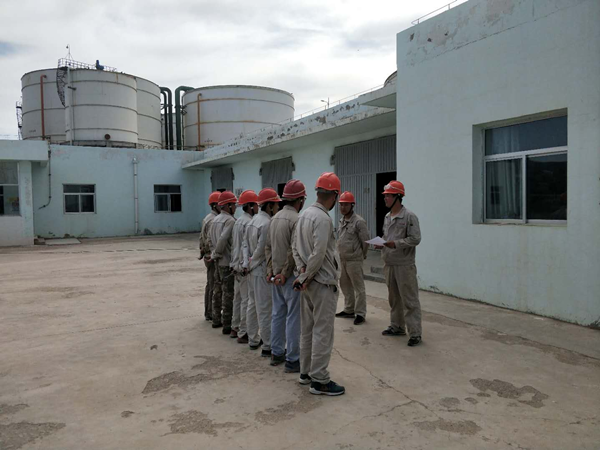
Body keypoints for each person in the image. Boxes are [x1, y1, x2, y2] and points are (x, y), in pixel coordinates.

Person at [292, 172, 345, 396]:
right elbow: (319, 253)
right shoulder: (323, 219)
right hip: (321, 283)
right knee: (323, 332)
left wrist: (302, 273)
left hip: (307, 283)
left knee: (307, 330)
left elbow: (295, 248)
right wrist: (306, 276)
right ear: (334, 195)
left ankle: (305, 373)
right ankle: (320, 380)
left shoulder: (304, 215)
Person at [265, 180, 306, 373]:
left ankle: (277, 353)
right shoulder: (297, 220)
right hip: (289, 277)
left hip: (276, 276)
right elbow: (293, 251)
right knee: (293, 318)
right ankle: (293, 359)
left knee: (278, 314)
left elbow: (268, 248)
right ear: (300, 200)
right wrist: (284, 273)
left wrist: (271, 271)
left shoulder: (274, 218)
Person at [379, 181, 423, 347]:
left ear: (398, 197)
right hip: (389, 263)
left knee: (409, 300)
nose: (385, 198)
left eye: (388, 196)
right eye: (385, 196)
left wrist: (396, 244)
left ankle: (415, 333)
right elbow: (387, 237)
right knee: (394, 299)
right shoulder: (387, 217)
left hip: (404, 265)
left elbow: (415, 239)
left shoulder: (409, 217)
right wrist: (382, 243)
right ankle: (397, 326)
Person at [243, 188, 281, 357]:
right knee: (265, 309)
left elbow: (245, 245)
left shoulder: (252, 221)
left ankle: (253, 339)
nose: (278, 208)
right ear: (270, 205)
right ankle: (267, 345)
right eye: (276, 205)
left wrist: (247, 263)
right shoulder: (266, 223)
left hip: (252, 269)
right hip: (260, 269)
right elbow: (261, 250)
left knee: (253, 305)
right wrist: (252, 264)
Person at [335, 191, 370, 325]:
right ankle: (349, 309)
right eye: (341, 204)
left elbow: (365, 241)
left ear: (352, 205)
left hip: (354, 260)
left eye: (346, 205)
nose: (343, 207)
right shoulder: (342, 221)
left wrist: (362, 255)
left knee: (358, 287)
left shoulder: (359, 222)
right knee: (345, 285)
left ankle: (360, 313)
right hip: (343, 259)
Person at [230, 190, 259, 343]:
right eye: (256, 205)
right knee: (246, 301)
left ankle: (235, 327)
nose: (258, 208)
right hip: (243, 267)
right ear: (250, 206)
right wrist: (246, 265)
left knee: (238, 298)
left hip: (236, 264)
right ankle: (243, 332)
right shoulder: (249, 222)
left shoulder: (238, 221)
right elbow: (245, 246)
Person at [209, 191, 237, 334]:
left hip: (217, 261)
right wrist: (218, 253)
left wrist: (213, 254)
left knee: (217, 290)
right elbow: (223, 239)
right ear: (228, 205)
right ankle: (227, 324)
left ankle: (216, 319)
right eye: (234, 205)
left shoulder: (215, 219)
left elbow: (210, 239)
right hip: (226, 262)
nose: (236, 207)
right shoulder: (230, 221)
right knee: (228, 293)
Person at [199, 192, 221, 321]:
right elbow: (210, 239)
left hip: (207, 254)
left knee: (210, 284)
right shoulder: (213, 220)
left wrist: (202, 250)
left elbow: (201, 238)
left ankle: (208, 311)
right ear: (214, 205)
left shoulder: (207, 218)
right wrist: (212, 253)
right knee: (213, 285)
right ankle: (211, 312)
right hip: (211, 256)